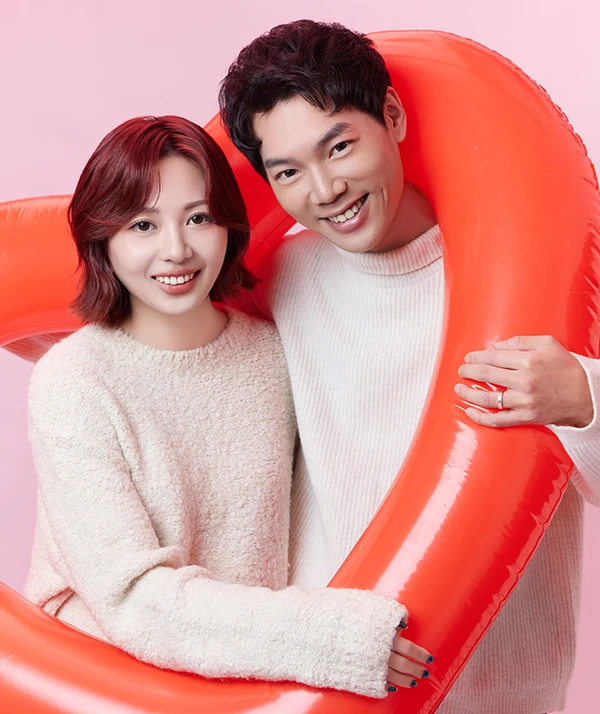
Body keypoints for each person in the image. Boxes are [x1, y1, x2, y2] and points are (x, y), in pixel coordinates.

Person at [219, 20, 600, 714]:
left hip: (505, 689)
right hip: (332, 680)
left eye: (339, 146)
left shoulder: (534, 268)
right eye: (288, 172)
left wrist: (584, 398)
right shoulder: (282, 277)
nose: (325, 188)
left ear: (391, 117)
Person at [23, 115, 434, 697]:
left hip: (250, 685)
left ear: (227, 226)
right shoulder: (74, 380)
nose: (176, 250)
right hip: (99, 683)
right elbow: (132, 599)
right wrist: (335, 638)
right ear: (103, 239)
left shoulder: (271, 354)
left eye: (198, 218)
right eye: (142, 225)